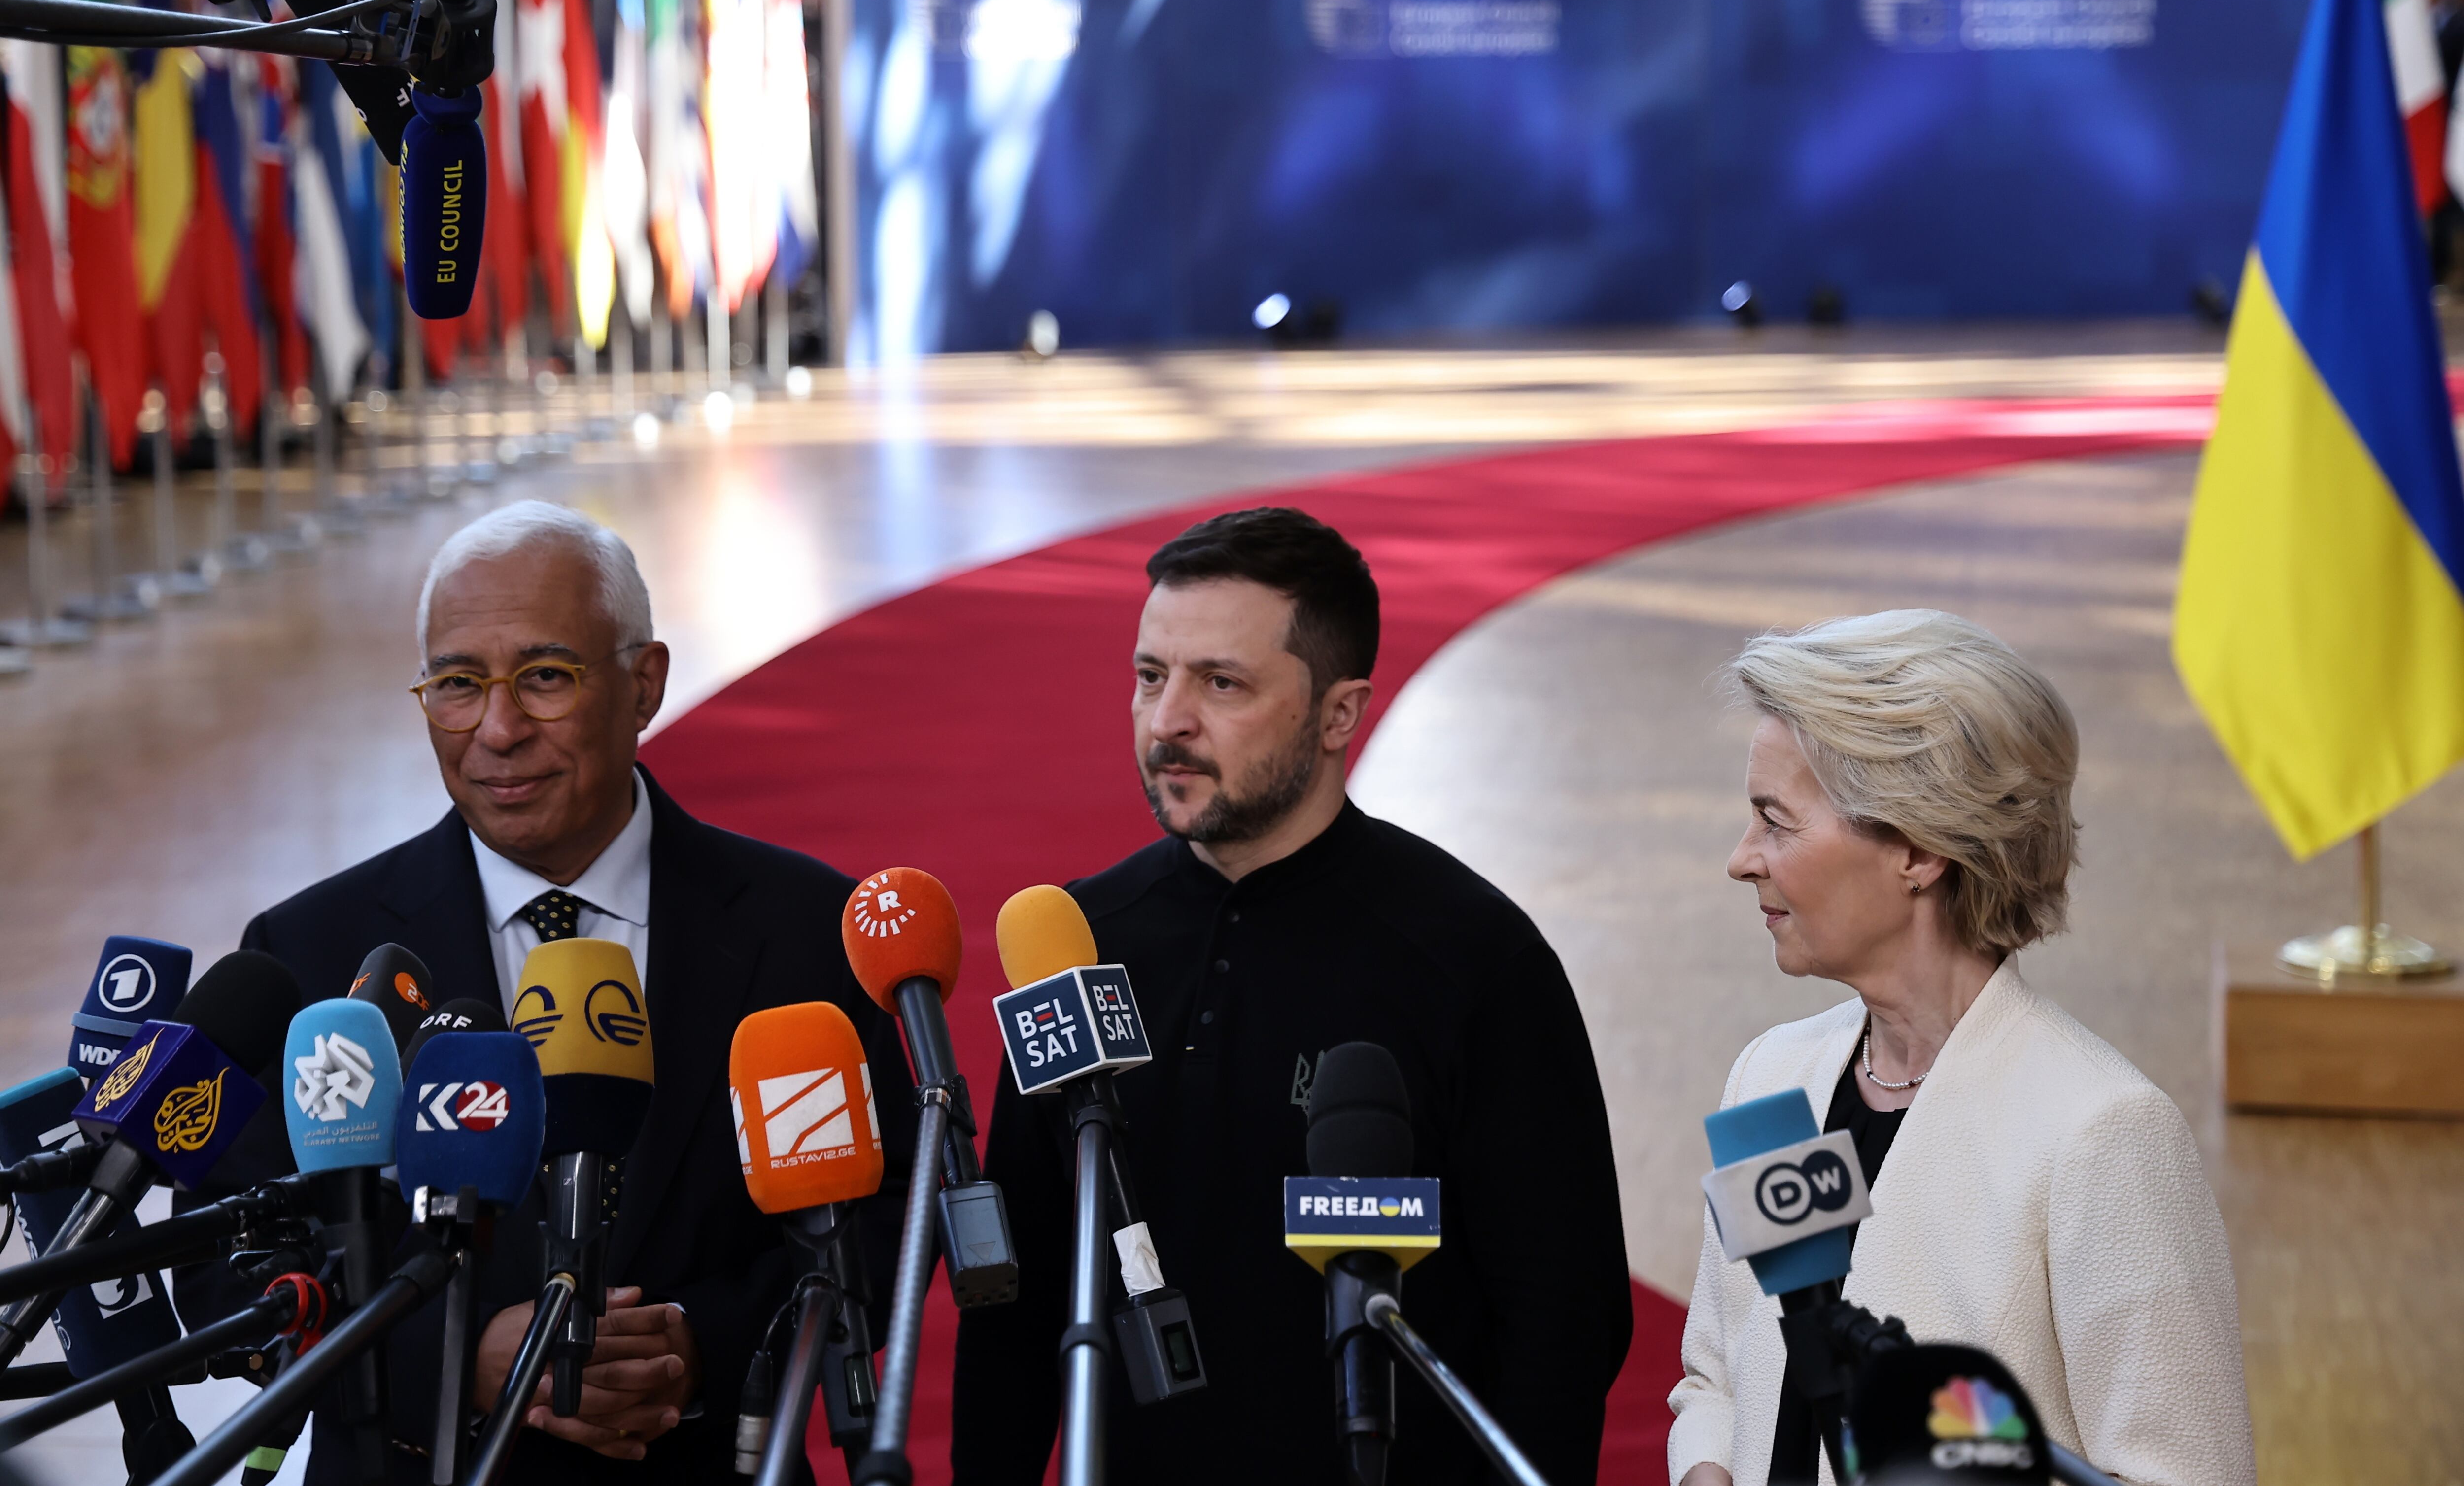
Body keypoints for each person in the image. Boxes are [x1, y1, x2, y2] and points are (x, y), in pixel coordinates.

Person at [185, 501, 910, 1485]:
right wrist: (454, 1356)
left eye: (545, 676)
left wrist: (699, 1345)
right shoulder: (314, 951)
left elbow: (889, 1222)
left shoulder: (801, 928)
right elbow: (225, 1268)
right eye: (456, 683)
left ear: (644, 681)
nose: (497, 728)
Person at [951, 506, 1633, 1485]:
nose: (1167, 718)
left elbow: (1562, 1317)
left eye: (1220, 682)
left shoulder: (1472, 954)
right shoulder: (1078, 940)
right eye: (1151, 675)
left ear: (1339, 713)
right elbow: (1016, 1302)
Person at [1669, 611, 2253, 1486]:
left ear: (1915, 848)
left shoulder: (2104, 1135)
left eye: (1776, 822)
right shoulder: (1773, 1078)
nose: (1741, 859)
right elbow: (1720, 1371)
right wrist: (1706, 1467)